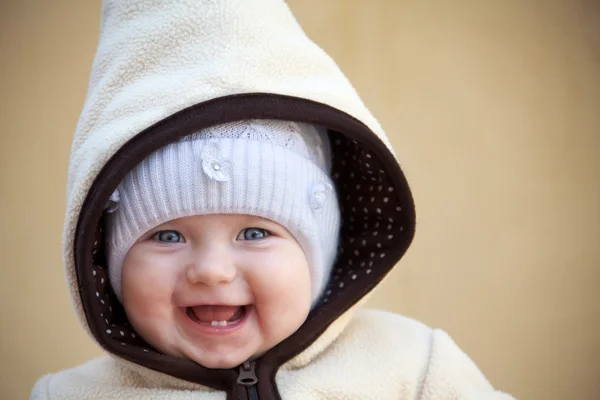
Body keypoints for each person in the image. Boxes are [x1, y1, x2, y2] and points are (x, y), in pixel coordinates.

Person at [32, 1, 514, 399]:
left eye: (256, 232)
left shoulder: (414, 368)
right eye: (168, 234)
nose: (212, 271)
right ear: (106, 263)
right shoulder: (69, 395)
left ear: (316, 257)